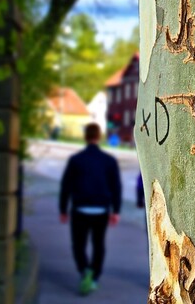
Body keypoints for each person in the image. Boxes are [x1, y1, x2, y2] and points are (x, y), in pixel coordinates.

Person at [59, 123, 122, 296]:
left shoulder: (76, 160)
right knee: (98, 244)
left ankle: (84, 270)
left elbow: (66, 186)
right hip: (101, 210)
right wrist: (116, 210)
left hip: (79, 209)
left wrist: (63, 209)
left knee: (78, 244)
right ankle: (94, 277)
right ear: (98, 137)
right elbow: (116, 187)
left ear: (86, 137)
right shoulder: (109, 161)